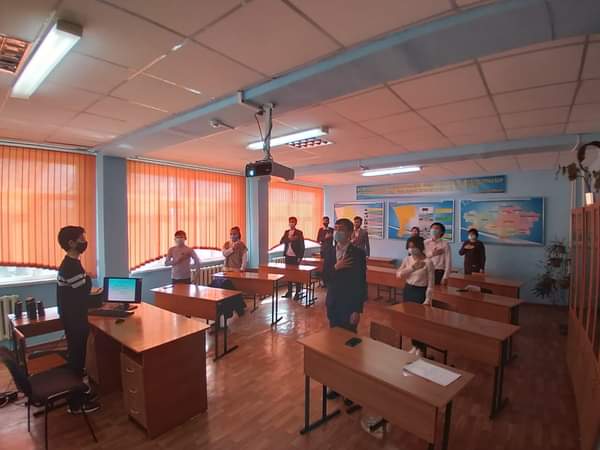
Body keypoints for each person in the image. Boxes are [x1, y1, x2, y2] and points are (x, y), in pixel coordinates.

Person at [57, 226, 102, 414]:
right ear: (71, 243)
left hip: (75, 316)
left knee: (78, 358)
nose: (85, 241)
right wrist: (89, 283)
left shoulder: (72, 263)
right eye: (81, 238)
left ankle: (78, 392)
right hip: (74, 319)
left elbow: (82, 289)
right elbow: (83, 291)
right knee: (77, 359)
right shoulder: (70, 266)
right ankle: (75, 404)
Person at [322, 218, 367, 402]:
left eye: (341, 229)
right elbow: (325, 277)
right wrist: (336, 267)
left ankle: (351, 388)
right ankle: (336, 384)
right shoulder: (329, 251)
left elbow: (361, 282)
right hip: (333, 302)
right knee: (334, 346)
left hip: (349, 305)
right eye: (336, 229)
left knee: (350, 347)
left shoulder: (358, 253)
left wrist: (357, 309)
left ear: (349, 233)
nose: (337, 232)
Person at [396, 236, 435, 355]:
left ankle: (421, 349)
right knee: (410, 321)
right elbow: (399, 274)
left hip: (420, 292)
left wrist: (428, 299)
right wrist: (412, 268)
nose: (411, 249)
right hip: (408, 290)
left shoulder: (428, 262)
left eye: (414, 247)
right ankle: (415, 345)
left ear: (420, 247)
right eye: (409, 247)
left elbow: (431, 284)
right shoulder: (407, 259)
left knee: (420, 322)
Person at [280, 217, 305, 299]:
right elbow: (281, 241)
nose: (291, 223)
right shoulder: (286, 232)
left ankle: (298, 292)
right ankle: (289, 291)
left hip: (295, 256)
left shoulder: (299, 233)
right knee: (289, 275)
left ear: (296, 223)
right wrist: (289, 239)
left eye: (293, 222)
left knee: (296, 275)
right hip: (288, 256)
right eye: (290, 222)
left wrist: (300, 257)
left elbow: (302, 246)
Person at [316, 216, 334, 288]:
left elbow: (335, 239)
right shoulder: (320, 230)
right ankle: (323, 282)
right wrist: (325, 237)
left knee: (329, 266)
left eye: (327, 221)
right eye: (324, 221)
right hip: (323, 250)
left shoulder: (332, 230)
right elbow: (318, 239)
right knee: (323, 266)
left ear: (329, 222)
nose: (325, 222)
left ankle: (328, 281)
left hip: (330, 250)